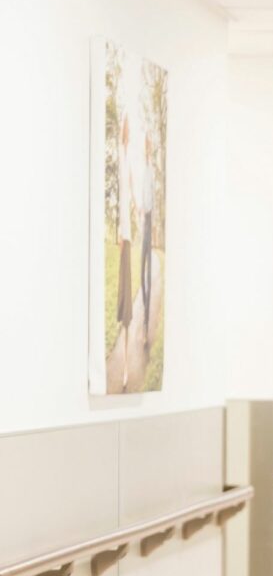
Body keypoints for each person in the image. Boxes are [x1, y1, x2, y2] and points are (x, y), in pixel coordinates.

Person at [115, 114, 135, 390]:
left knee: (127, 311)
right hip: (123, 239)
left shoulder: (128, 160)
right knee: (122, 307)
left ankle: (127, 368)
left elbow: (128, 199)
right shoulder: (121, 157)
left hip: (127, 239)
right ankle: (123, 366)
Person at [140, 133, 155, 348]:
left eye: (150, 145)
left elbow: (152, 198)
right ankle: (144, 312)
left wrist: (148, 214)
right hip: (144, 221)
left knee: (149, 275)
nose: (148, 148)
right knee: (142, 274)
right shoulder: (145, 168)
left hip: (149, 221)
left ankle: (145, 325)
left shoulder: (151, 170)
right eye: (146, 144)